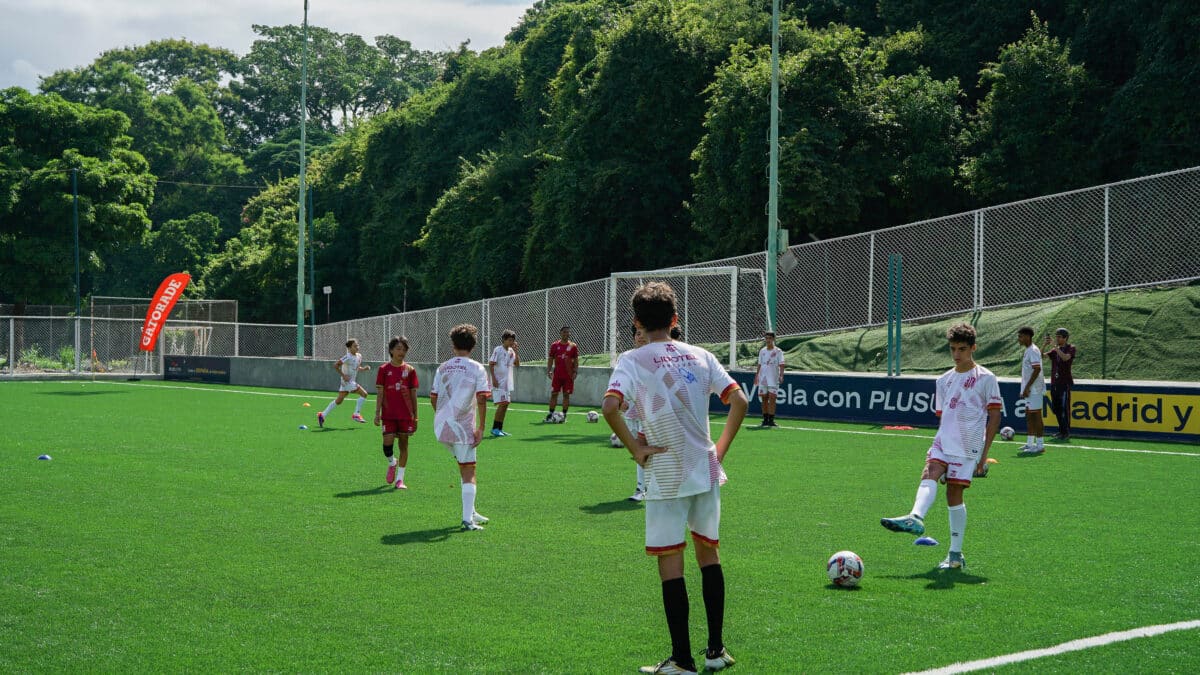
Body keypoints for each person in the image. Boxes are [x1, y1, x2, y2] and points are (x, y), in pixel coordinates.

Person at [603, 282, 748, 675]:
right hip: (705, 467)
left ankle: (682, 659)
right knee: (709, 554)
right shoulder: (701, 355)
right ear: (674, 319)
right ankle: (715, 650)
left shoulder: (632, 359)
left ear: (636, 322)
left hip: (666, 472)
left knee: (670, 561)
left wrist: (635, 448)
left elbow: (610, 406)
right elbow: (739, 400)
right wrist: (720, 449)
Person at [880, 323, 1001, 571]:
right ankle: (915, 517)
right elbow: (943, 415)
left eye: (962, 349)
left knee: (953, 496)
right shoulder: (943, 380)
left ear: (973, 348)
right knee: (929, 471)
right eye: (953, 349)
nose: (957, 355)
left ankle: (955, 555)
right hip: (943, 441)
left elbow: (995, 416)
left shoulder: (986, 378)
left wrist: (984, 456)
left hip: (968, 447)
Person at [430, 324, 491, 531]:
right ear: (473, 345)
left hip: (441, 426)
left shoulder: (443, 367)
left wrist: (441, 416)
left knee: (465, 464)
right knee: (468, 469)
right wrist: (481, 427)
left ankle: (471, 510)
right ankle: (467, 520)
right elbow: (482, 398)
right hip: (463, 427)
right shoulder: (476, 368)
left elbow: (433, 397)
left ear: (453, 344)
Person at [375, 336, 418, 489]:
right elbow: (380, 393)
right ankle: (392, 462)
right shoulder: (383, 370)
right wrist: (377, 413)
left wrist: (416, 416)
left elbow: (413, 394)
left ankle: (400, 479)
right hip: (388, 414)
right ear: (391, 350)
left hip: (406, 415)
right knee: (387, 445)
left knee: (404, 446)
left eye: (404, 349)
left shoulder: (410, 370)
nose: (402, 352)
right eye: (398, 348)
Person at [619, 324, 650, 502]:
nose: (640, 337)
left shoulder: (657, 357)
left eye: (644, 333)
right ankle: (642, 488)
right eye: (637, 333)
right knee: (639, 450)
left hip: (654, 412)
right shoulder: (626, 357)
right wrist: (620, 399)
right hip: (632, 410)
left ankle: (645, 488)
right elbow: (620, 380)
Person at [318, 338, 371, 427]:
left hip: (351, 381)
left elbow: (356, 368)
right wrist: (343, 375)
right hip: (347, 382)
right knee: (364, 394)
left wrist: (364, 369)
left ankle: (322, 415)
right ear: (349, 348)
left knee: (339, 401)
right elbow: (336, 365)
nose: (357, 347)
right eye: (355, 346)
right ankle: (356, 414)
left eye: (357, 345)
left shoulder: (359, 356)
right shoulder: (347, 356)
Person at [1042, 327, 1076, 441]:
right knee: (1056, 408)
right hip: (1054, 382)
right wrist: (1045, 345)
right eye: (1056, 336)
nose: (1057, 338)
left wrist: (1055, 347)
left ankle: (1065, 432)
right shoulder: (1055, 350)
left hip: (1064, 383)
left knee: (1064, 408)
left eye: (1059, 337)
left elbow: (1066, 358)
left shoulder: (1070, 348)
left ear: (1065, 338)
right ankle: (1061, 431)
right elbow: (1042, 356)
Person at [1017, 326, 1046, 455]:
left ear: (1027, 336)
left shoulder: (1033, 350)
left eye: (1021, 336)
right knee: (1029, 416)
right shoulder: (1028, 350)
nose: (1019, 339)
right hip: (1030, 389)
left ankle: (1040, 445)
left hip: (1034, 389)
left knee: (1036, 416)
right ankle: (1030, 443)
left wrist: (1028, 387)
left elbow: (1037, 369)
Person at [488, 330, 520, 437]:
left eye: (513, 340)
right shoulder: (498, 350)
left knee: (506, 404)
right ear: (504, 340)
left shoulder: (511, 351)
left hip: (507, 383)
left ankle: (500, 428)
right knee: (502, 404)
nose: (511, 342)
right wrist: (494, 379)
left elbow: (517, 364)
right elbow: (491, 364)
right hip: (499, 382)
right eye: (509, 340)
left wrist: (516, 351)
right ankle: (494, 428)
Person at [545, 326, 579, 422]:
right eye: (564, 332)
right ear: (560, 333)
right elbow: (551, 358)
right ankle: (551, 414)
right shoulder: (554, 345)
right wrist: (549, 370)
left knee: (566, 395)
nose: (566, 334)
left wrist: (575, 371)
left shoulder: (573, 346)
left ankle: (564, 415)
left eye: (568, 332)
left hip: (568, 375)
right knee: (554, 394)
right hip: (557, 375)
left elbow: (576, 360)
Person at [754, 331, 785, 427]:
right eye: (766, 338)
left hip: (773, 378)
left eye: (770, 338)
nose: (768, 340)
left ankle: (771, 420)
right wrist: (757, 375)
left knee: (772, 398)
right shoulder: (762, 351)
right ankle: (765, 419)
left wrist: (781, 375)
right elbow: (759, 364)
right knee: (764, 398)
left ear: (773, 339)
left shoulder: (778, 351)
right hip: (763, 378)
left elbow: (782, 364)